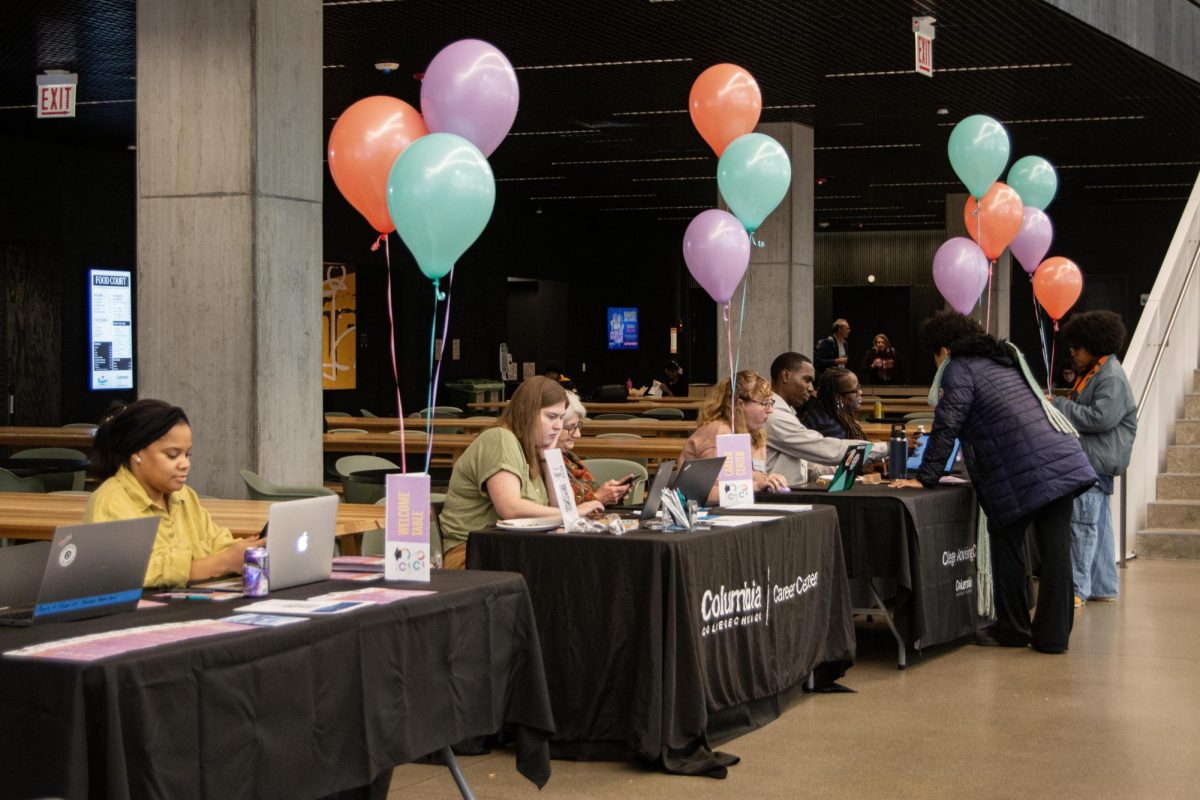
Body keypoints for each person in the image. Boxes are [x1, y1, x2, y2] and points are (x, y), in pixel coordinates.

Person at [891, 311, 1097, 654]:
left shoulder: (959, 368)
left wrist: (925, 479)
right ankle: (1053, 637)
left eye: (934, 355)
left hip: (1023, 468)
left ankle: (1014, 628)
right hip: (1062, 457)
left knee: (1007, 543)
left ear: (943, 348)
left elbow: (947, 425)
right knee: (1057, 551)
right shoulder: (1004, 361)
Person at [83, 399, 263, 589]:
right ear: (137, 453)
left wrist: (247, 549)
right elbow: (132, 573)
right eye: (172, 455)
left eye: (187, 454)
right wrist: (222, 563)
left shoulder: (185, 496)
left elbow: (216, 542)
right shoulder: (112, 501)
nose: (185, 464)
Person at [440, 376, 603, 568]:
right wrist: (572, 514)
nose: (558, 426)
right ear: (526, 412)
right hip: (472, 553)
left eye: (560, 418)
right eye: (551, 417)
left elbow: (560, 504)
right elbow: (510, 509)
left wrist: (548, 457)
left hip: (514, 548)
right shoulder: (501, 438)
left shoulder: (534, 446)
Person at [1051, 310, 1137, 607]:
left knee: (1083, 523)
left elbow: (1101, 418)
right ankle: (1102, 585)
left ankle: (1077, 589)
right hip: (1097, 460)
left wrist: (1060, 405)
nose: (1073, 353)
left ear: (1094, 345)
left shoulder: (1110, 376)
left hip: (1094, 461)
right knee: (1099, 525)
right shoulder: (1098, 373)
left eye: (1078, 347)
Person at [764, 352, 884, 486]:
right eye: (807, 380)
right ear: (786, 376)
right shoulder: (773, 414)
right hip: (779, 499)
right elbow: (827, 449)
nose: (810, 388)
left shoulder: (787, 413)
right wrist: (887, 447)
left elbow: (808, 469)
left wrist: (854, 467)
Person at [677, 370, 788, 504]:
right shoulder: (721, 432)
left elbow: (754, 480)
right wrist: (757, 486)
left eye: (771, 403)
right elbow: (703, 494)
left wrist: (769, 481)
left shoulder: (757, 434)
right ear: (741, 404)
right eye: (764, 403)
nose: (770, 410)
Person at [558, 392, 633, 507]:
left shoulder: (568, 458)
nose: (577, 434)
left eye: (578, 426)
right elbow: (563, 508)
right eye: (571, 427)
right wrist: (598, 498)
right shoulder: (545, 464)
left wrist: (611, 496)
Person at [800, 367, 868, 440]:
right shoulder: (829, 428)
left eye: (859, 387)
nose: (860, 392)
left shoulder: (823, 410)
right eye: (855, 390)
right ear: (838, 397)